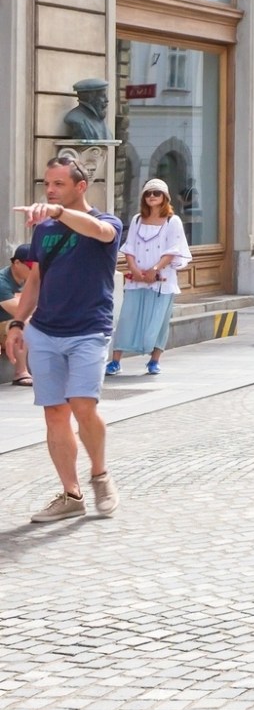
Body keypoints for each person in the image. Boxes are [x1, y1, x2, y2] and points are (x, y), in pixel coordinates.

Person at [11, 156, 124, 521]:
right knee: (55, 413)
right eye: (48, 184)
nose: (51, 190)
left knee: (83, 406)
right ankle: (71, 494)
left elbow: (99, 233)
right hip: (45, 330)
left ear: (80, 186)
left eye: (59, 184)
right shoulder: (44, 229)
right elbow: (35, 279)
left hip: (89, 330)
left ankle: (100, 475)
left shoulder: (108, 222)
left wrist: (57, 212)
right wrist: (17, 324)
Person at [106, 178, 190, 377]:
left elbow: (173, 249)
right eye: (148, 193)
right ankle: (116, 361)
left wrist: (155, 269)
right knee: (128, 318)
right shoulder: (137, 219)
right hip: (137, 280)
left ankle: (154, 360)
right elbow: (130, 247)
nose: (152, 197)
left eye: (156, 193)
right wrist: (134, 269)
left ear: (165, 197)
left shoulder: (173, 221)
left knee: (159, 320)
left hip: (162, 280)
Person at [2, 246, 34, 386]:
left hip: (8, 325)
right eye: (30, 265)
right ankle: (20, 372)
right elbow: (19, 311)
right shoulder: (2, 282)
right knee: (23, 321)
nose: (34, 268)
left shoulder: (33, 279)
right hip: (3, 324)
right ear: (16, 263)